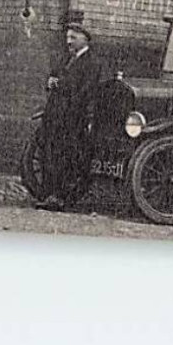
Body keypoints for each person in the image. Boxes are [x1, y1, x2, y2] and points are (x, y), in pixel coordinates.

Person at [36, 12, 100, 211]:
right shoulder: (67, 59)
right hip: (55, 115)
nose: (69, 41)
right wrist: (50, 81)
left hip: (72, 119)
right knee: (49, 153)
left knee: (65, 156)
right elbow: (54, 76)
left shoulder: (92, 63)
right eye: (67, 38)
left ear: (84, 38)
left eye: (73, 38)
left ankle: (61, 197)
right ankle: (48, 194)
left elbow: (85, 91)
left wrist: (60, 84)